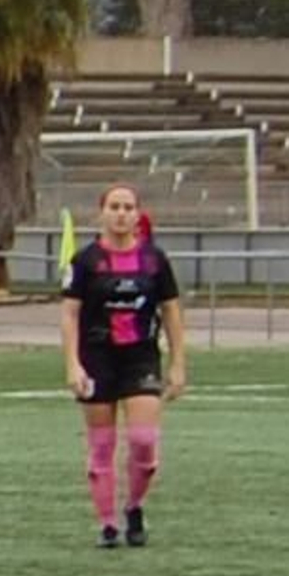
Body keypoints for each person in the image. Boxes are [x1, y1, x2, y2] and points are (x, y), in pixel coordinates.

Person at [61, 183, 186, 548]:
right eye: (114, 206)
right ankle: (108, 524)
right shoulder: (85, 261)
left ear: (137, 214)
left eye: (128, 207)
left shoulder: (154, 260)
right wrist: (72, 365)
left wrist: (178, 363)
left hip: (141, 356)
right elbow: (70, 314)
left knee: (143, 442)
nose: (121, 213)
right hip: (97, 357)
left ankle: (134, 505)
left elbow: (172, 311)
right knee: (102, 446)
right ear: (101, 213)